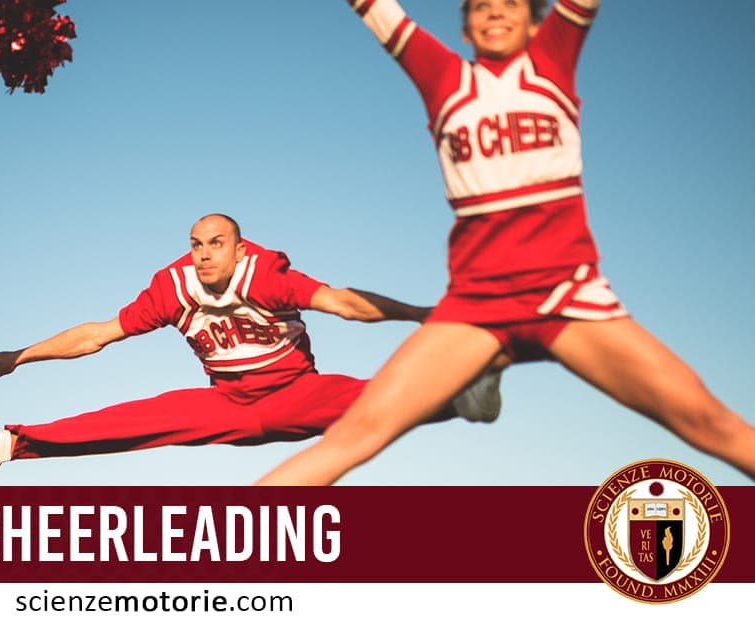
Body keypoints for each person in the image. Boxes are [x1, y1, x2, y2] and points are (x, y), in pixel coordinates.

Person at [256, 0, 755, 485]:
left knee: (708, 421)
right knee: (354, 435)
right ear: (466, 32)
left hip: (569, 298)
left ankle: (484, 372)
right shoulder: (445, 78)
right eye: (479, 7)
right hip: (477, 308)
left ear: (536, 25)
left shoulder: (551, 64)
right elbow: (378, 10)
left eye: (511, 3)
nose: (495, 11)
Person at [0, 213, 504, 472]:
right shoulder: (173, 286)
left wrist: (429, 316)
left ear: (239, 249)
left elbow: (345, 304)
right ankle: (4, 445)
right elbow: (97, 335)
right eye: (196, 245)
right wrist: (20, 356)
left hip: (294, 392)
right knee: (134, 419)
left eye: (217, 243)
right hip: (228, 403)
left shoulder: (267, 274)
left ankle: (464, 393)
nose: (205, 254)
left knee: (375, 397)